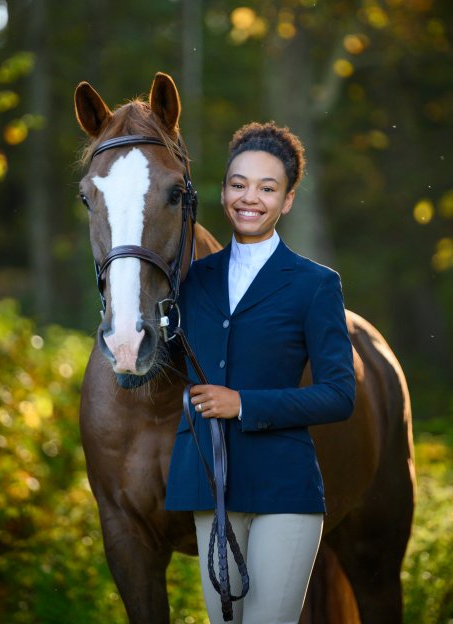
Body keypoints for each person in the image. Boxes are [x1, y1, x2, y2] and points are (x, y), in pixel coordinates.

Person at [165, 122, 355, 624]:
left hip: (284, 489)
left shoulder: (315, 285)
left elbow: (339, 394)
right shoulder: (189, 281)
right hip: (212, 485)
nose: (250, 198)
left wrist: (243, 403)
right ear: (223, 190)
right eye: (238, 184)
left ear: (288, 200)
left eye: (267, 188)